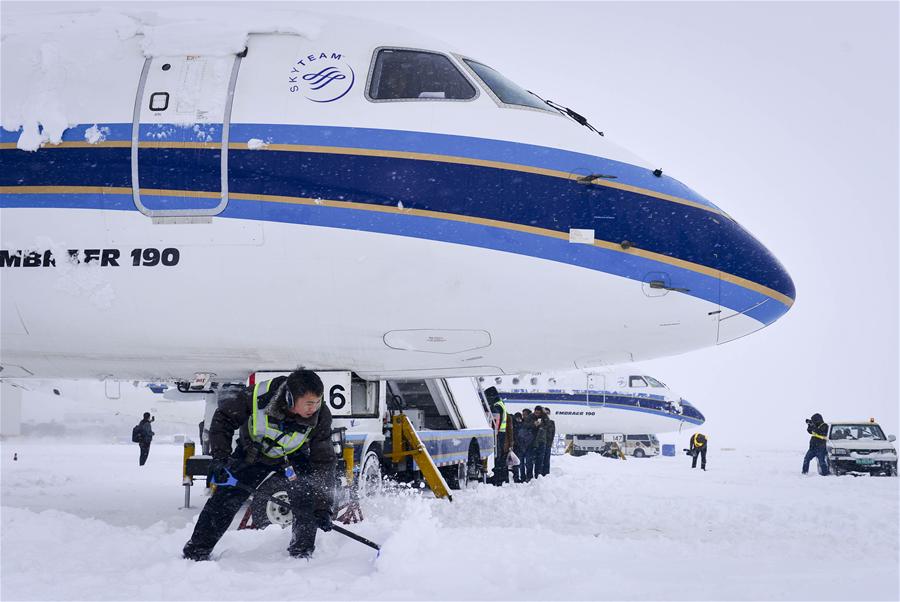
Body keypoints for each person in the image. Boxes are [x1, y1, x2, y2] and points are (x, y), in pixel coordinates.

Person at [182, 369, 336, 561]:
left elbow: (324, 460)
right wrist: (220, 458)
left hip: (292, 456)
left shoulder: (321, 416)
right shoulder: (258, 396)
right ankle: (196, 551)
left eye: (318, 401)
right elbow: (224, 418)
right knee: (226, 497)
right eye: (309, 403)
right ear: (290, 398)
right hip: (253, 453)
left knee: (307, 497)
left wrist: (323, 507)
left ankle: (301, 553)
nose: (314, 408)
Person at [485, 387, 512, 486]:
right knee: (500, 459)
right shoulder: (501, 404)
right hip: (501, 434)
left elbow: (494, 422)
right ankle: (502, 479)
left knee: (497, 458)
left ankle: (496, 479)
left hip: (498, 435)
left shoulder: (496, 406)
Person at [532, 406, 549, 478]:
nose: (537, 414)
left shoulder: (544, 418)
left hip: (541, 442)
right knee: (532, 460)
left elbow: (547, 424)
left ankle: (538, 475)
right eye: (536, 412)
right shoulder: (531, 417)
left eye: (539, 413)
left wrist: (544, 415)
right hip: (533, 442)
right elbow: (527, 425)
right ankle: (533, 475)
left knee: (540, 460)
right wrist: (534, 425)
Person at [541, 408, 556, 476]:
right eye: (545, 413)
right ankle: (540, 473)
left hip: (548, 443)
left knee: (547, 459)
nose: (546, 414)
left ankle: (546, 473)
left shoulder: (552, 422)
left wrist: (551, 442)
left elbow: (552, 433)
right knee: (540, 459)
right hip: (541, 443)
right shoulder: (540, 422)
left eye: (547, 413)